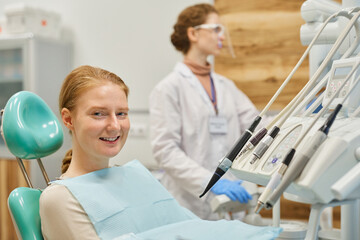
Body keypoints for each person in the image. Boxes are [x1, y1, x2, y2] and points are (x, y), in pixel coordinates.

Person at [39, 65, 282, 240]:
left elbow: (190, 228)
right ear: (68, 119)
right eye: (98, 113)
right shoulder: (60, 199)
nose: (115, 125)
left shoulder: (135, 176)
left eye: (122, 113)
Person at [149, 3, 268, 220]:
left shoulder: (226, 86)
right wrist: (209, 181)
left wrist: (298, 116)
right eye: (215, 29)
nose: (221, 36)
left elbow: (259, 126)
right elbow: (165, 150)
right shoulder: (169, 88)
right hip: (187, 204)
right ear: (193, 33)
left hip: (228, 202)